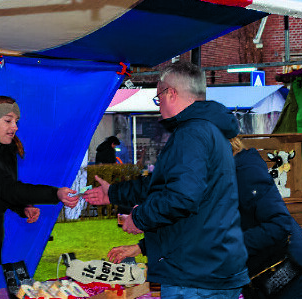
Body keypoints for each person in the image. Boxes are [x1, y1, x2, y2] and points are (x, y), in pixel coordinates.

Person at [83, 62, 248, 299]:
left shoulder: (191, 133)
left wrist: (139, 219)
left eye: (158, 95)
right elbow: (163, 185)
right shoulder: (208, 130)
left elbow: (181, 197)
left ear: (171, 93)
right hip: (210, 267)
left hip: (195, 274)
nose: (158, 103)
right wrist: (114, 193)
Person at [105, 136, 302, 299]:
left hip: (296, 278)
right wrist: (142, 247)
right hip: (262, 282)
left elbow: (278, 226)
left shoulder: (245, 172)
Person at [0, 95, 79, 262]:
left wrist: (22, 207)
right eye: (8, 121)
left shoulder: (6, 149)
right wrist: (55, 194)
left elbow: (1, 189)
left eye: (16, 121)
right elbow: (7, 189)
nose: (15, 127)